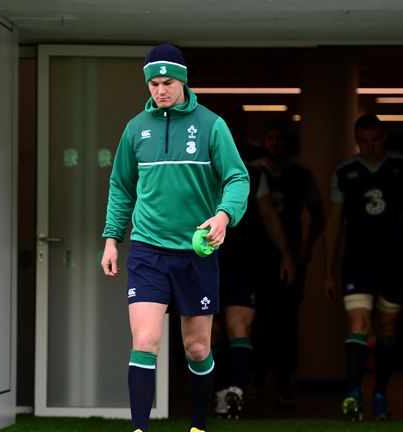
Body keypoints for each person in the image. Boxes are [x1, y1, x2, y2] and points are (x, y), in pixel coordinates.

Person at [100, 44, 249, 432]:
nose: (160, 90)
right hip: (148, 250)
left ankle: (198, 426)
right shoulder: (135, 129)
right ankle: (139, 429)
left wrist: (222, 215)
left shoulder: (212, 125)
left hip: (196, 253)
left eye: (167, 82)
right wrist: (112, 238)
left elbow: (237, 178)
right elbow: (121, 187)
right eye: (153, 83)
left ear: (182, 81)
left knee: (197, 348)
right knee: (145, 340)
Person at [323, 114, 403, 421]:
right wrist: (328, 269)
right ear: (357, 141)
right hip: (358, 259)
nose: (370, 147)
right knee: (359, 321)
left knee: (387, 327)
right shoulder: (345, 172)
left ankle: (380, 393)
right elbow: (334, 223)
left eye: (375, 140)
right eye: (363, 141)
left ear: (385, 138)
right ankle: (354, 394)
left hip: (395, 258)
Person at [212, 161, 296, 419]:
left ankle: (236, 392)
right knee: (210, 332)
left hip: (243, 259)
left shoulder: (254, 173)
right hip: (205, 257)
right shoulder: (194, 164)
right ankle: (219, 394)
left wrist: (286, 255)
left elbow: (269, 215)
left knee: (239, 326)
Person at [250, 122, 325, 408]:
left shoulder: (301, 174)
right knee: (257, 320)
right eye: (270, 137)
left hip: (292, 257)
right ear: (263, 142)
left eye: (279, 138)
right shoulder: (253, 170)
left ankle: (283, 382)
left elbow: (319, 214)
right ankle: (256, 379)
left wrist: (306, 248)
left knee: (285, 322)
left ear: (287, 142)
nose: (274, 143)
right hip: (257, 257)